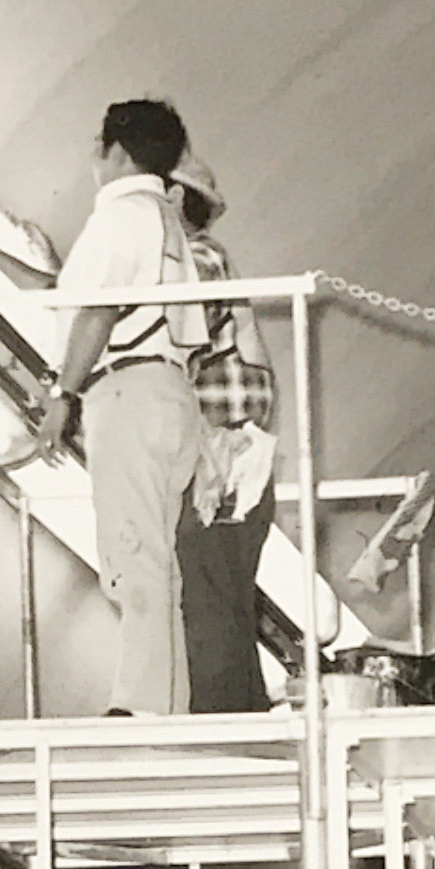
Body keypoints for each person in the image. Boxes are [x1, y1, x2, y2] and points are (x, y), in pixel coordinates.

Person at [16, 98, 209, 718]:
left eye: (99, 148)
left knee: (133, 556)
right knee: (157, 562)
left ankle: (139, 707)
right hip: (169, 392)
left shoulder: (123, 214)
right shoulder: (164, 219)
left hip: (125, 391)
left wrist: (61, 398)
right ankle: (165, 707)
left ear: (117, 152)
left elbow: (99, 309)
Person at [169, 157, 279, 714]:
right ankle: (244, 713)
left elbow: (182, 340)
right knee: (231, 596)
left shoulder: (193, 261)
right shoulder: (217, 260)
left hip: (218, 445)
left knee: (206, 593)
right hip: (242, 446)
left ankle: (219, 720)